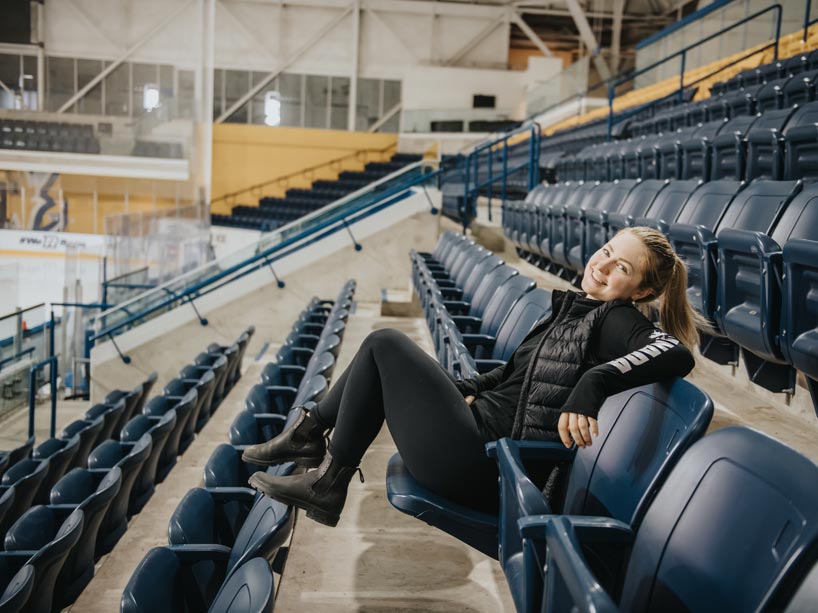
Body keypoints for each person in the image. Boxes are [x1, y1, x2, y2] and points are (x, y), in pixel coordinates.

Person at [244, 227, 705, 527]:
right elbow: (512, 374)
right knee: (379, 352)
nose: (601, 266)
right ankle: (314, 450)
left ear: (643, 289)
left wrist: (594, 384)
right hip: (478, 441)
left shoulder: (616, 319)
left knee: (384, 343)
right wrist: (459, 389)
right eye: (606, 252)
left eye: (621, 268)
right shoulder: (573, 309)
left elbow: (675, 352)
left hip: (487, 464)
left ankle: (319, 463)